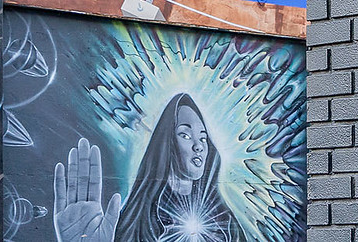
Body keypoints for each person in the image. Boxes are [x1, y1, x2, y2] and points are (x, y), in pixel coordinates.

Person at [53, 93, 239, 242]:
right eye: (185, 135)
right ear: (167, 143)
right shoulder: (139, 219)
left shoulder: (224, 221)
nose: (198, 146)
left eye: (203, 138)